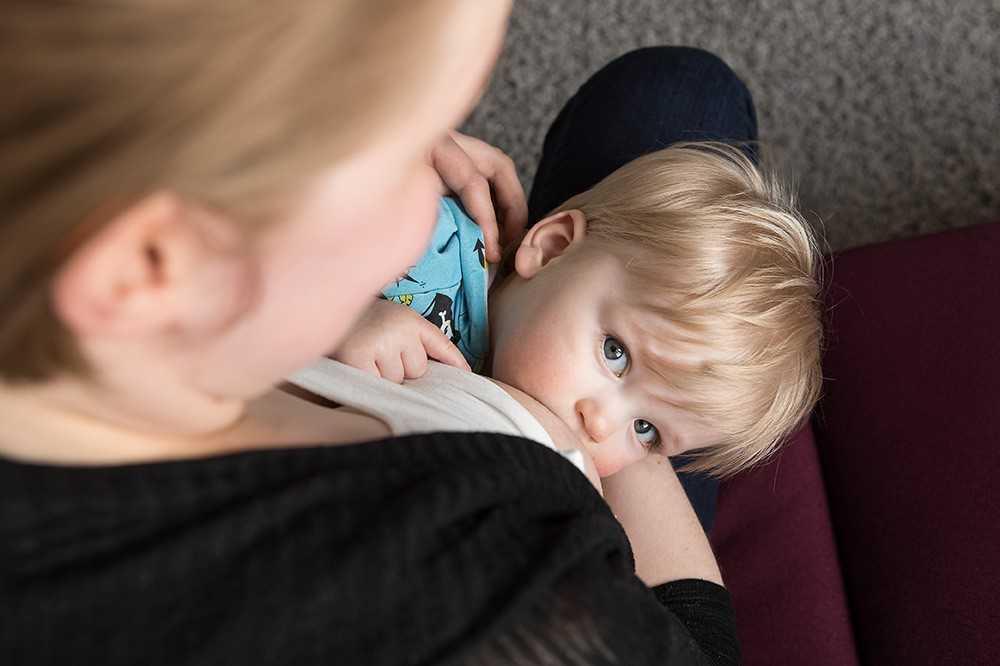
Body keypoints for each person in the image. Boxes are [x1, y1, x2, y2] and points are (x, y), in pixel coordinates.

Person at [0, 2, 745, 664]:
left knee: (672, 99)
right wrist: (631, 428)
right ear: (149, 267)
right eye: (403, 161)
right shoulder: (489, 582)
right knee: (683, 101)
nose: (455, 179)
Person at [332, 142, 823, 487]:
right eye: (616, 354)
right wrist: (342, 321)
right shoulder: (427, 247)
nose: (600, 426)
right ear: (551, 248)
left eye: (646, 431)